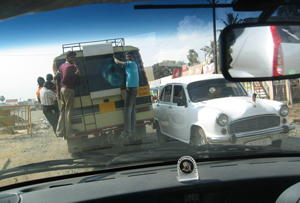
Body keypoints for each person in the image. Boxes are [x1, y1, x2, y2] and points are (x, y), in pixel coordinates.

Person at [54, 51, 81, 139]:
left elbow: (55, 77)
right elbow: (79, 75)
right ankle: (69, 132)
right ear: (67, 58)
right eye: (72, 58)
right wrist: (76, 67)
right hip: (69, 90)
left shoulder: (61, 66)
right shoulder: (72, 67)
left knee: (63, 111)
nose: (73, 59)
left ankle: (60, 131)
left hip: (62, 89)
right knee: (69, 111)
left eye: (74, 58)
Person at [114, 51, 139, 140]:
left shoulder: (131, 63)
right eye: (127, 57)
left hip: (131, 89)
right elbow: (122, 65)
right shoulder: (132, 64)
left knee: (127, 112)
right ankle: (133, 131)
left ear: (133, 57)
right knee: (132, 112)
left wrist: (114, 58)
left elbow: (118, 62)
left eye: (129, 57)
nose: (128, 58)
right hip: (134, 89)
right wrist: (122, 60)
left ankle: (127, 132)